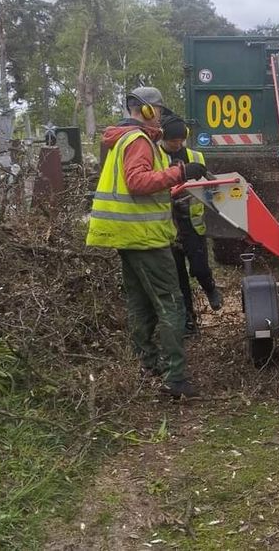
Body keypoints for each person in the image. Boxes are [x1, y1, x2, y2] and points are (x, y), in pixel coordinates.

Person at [86, 86, 207, 399]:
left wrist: (173, 183)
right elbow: (137, 182)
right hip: (145, 237)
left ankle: (147, 365)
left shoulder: (121, 138)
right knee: (171, 303)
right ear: (148, 110)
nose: (160, 118)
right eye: (159, 111)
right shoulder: (138, 140)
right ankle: (175, 379)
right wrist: (180, 172)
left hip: (128, 236)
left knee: (140, 304)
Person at [159, 115, 223, 335]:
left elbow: (209, 185)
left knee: (199, 267)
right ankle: (188, 321)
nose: (177, 144)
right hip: (168, 227)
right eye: (173, 141)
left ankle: (210, 288)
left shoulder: (195, 156)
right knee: (179, 279)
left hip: (192, 224)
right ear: (163, 138)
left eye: (181, 140)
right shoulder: (156, 157)